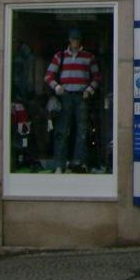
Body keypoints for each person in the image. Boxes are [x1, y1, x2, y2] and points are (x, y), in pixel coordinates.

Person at [44, 29, 101, 173]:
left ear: (80, 40)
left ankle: (78, 163)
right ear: (69, 40)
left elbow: (97, 77)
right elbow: (48, 76)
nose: (75, 42)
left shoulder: (88, 57)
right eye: (73, 39)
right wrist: (56, 87)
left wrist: (89, 90)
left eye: (77, 39)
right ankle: (59, 164)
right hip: (65, 96)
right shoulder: (60, 56)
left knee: (82, 131)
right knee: (62, 131)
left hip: (81, 96)